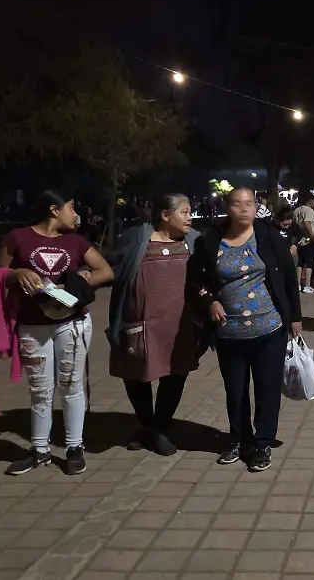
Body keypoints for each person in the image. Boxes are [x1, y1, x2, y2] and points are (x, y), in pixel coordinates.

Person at [0, 190, 114, 476]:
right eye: (72, 208)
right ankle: (39, 451)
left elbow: (106, 272)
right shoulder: (17, 238)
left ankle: (75, 448)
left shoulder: (76, 242)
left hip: (71, 324)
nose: (76, 214)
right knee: (40, 390)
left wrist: (79, 281)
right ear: (54, 210)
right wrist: (17, 274)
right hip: (32, 325)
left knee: (71, 386)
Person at [187, 187, 302, 472]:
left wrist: (295, 317)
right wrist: (209, 300)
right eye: (237, 204)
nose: (244, 209)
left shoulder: (269, 237)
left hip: (270, 329)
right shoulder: (210, 241)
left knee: (267, 388)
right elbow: (194, 280)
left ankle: (262, 443)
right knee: (235, 391)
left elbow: (288, 276)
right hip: (229, 332)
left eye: (249, 204)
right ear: (228, 207)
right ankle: (240, 439)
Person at [106, 193, 205, 456]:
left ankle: (158, 428)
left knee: (176, 374)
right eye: (184, 212)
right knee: (135, 374)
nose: (190, 217)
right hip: (141, 322)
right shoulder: (136, 238)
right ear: (165, 214)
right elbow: (110, 267)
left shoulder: (194, 240)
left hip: (181, 324)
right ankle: (147, 424)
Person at [293, 193, 314, 293]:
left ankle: (298, 284)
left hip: (299, 241)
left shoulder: (296, 210)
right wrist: (311, 235)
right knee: (309, 263)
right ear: (310, 201)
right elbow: (306, 222)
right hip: (308, 241)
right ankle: (307, 285)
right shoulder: (309, 210)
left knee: (300, 263)